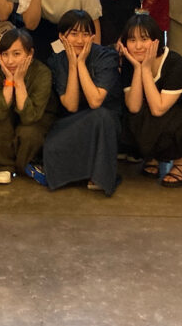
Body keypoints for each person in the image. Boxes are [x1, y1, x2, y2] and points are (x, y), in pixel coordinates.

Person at [39, 10, 122, 195]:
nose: (80, 40)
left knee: (100, 116)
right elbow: (71, 105)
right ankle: (76, 175)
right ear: (62, 37)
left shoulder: (106, 56)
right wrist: (72, 65)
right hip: (73, 119)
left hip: (106, 119)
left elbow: (95, 101)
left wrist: (81, 64)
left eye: (85, 34)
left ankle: (99, 176)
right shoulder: (57, 60)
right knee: (52, 146)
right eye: (74, 34)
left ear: (92, 36)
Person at [116, 13, 182, 188]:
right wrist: (138, 68)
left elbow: (158, 108)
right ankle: (153, 156)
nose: (138, 46)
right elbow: (133, 107)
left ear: (156, 41)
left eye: (144, 39)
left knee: (163, 117)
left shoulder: (175, 64)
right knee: (131, 117)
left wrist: (146, 69)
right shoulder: (130, 63)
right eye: (132, 40)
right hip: (158, 114)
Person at [0, 28, 57, 185]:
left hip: (36, 119)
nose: (10, 61)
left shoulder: (42, 72)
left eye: (16, 54)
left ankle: (24, 165)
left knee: (29, 132)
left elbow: (29, 117)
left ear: (30, 54)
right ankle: (2, 166)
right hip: (6, 116)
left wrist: (20, 81)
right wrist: (9, 82)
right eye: (5, 54)